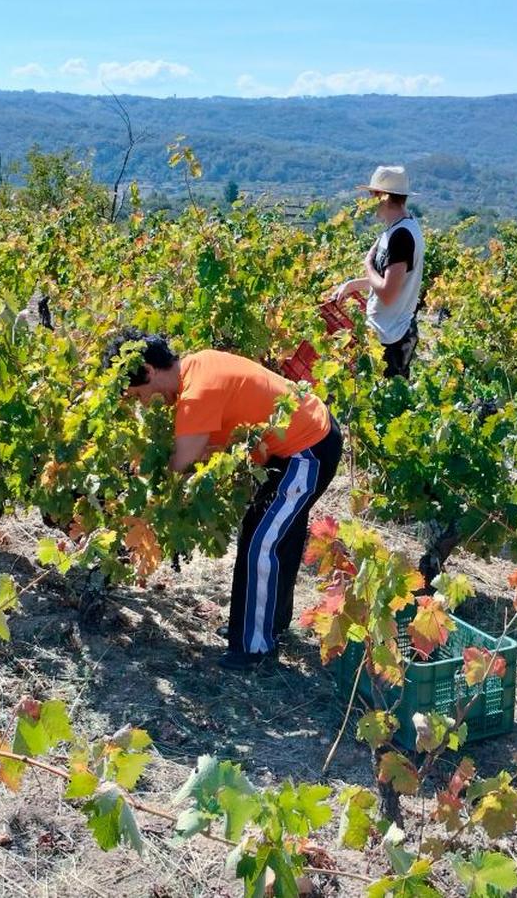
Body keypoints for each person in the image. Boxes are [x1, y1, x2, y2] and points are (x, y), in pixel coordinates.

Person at [102, 329, 343, 671]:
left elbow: (182, 462)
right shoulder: (197, 365)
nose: (141, 402)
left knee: (264, 542)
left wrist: (139, 475)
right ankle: (264, 627)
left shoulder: (197, 393)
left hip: (308, 448)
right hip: (293, 444)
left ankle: (254, 648)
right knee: (269, 533)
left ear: (149, 370)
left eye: (137, 393)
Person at [334, 165, 425, 378]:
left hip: (392, 338)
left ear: (383, 197)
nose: (368, 201)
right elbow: (392, 280)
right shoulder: (397, 228)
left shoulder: (401, 236)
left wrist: (367, 263)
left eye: (371, 194)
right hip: (385, 332)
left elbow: (387, 292)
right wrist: (353, 285)